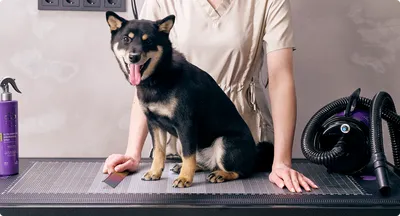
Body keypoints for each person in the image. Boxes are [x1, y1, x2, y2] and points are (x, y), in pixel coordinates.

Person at [103, 0, 318, 193]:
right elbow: (144, 87)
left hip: (240, 139)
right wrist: (132, 153)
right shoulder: (161, 2)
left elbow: (280, 79)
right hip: (177, 149)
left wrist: (282, 162)